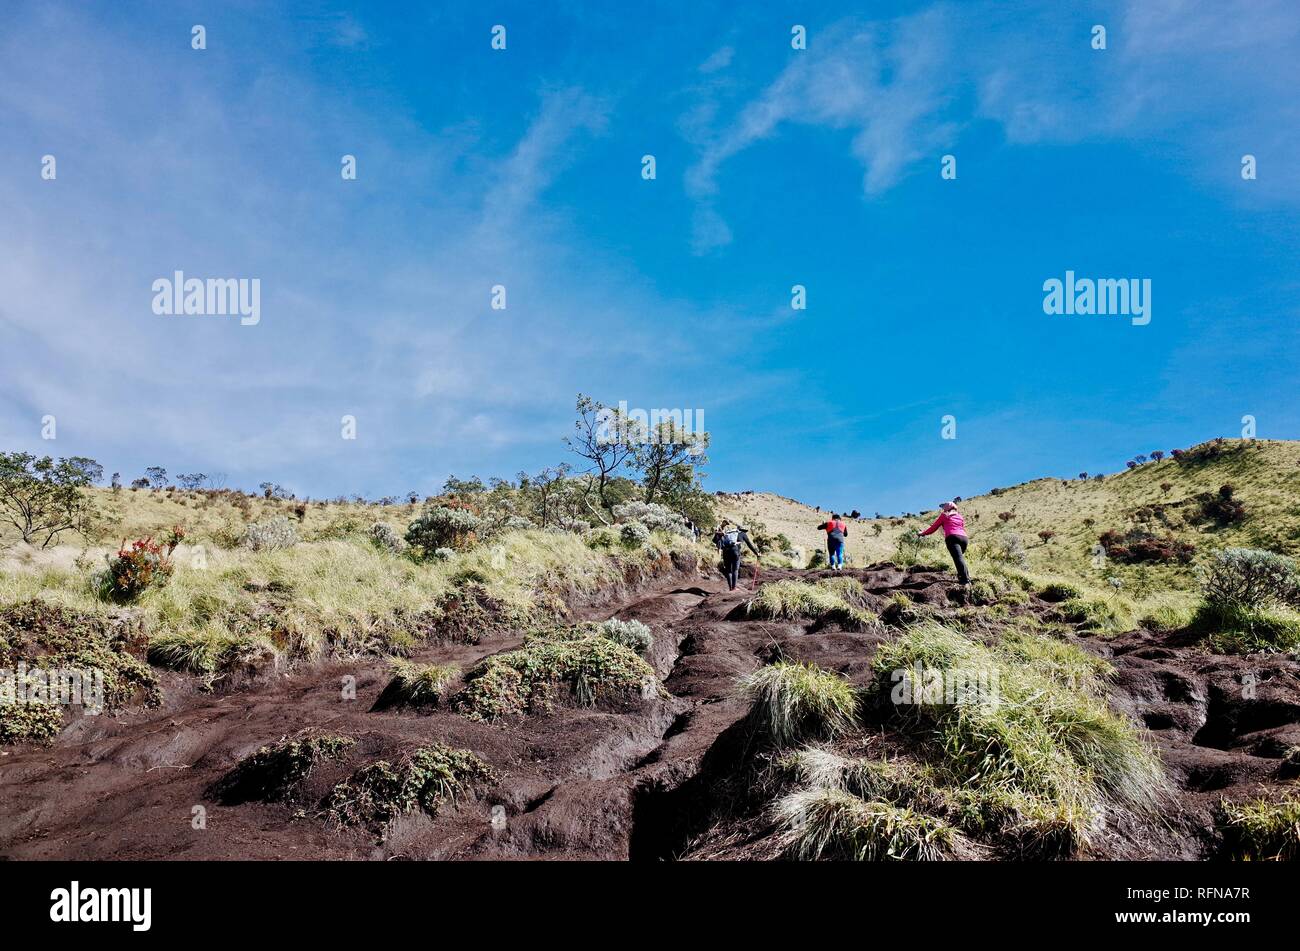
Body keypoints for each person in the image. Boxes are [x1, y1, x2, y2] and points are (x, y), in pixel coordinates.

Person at [918, 500, 970, 585]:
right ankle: (964, 577)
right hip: (964, 539)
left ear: (946, 508)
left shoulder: (944, 515)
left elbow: (934, 527)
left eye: (944, 508)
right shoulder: (960, 516)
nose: (943, 510)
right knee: (960, 558)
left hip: (952, 538)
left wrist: (923, 533)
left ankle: (965, 580)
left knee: (958, 558)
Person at [713, 520, 760, 591]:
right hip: (735, 551)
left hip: (726, 551)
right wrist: (756, 553)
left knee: (728, 570)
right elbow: (749, 544)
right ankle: (734, 588)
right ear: (743, 530)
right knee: (735, 570)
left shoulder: (729, 533)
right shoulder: (743, 534)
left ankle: (730, 588)